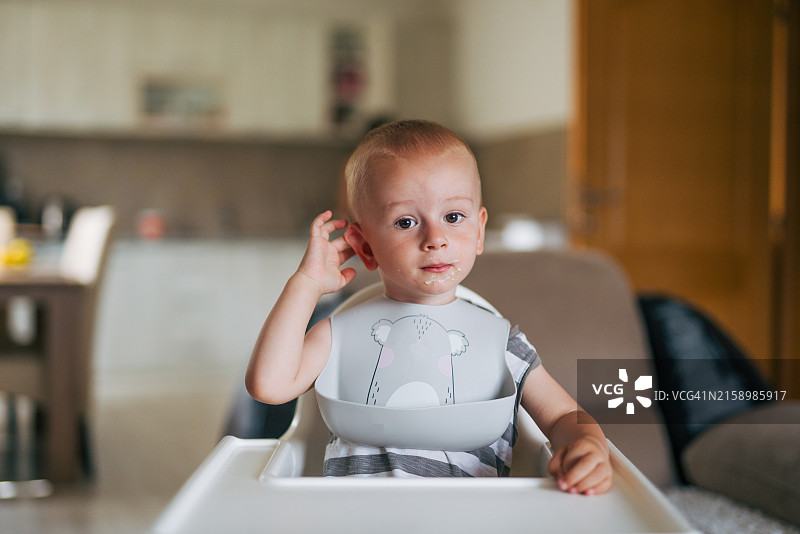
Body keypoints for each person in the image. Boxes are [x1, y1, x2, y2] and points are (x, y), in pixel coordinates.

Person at [246, 119, 612, 494]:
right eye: (406, 222)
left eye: (453, 217)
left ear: (479, 231)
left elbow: (565, 415)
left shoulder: (502, 344)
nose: (435, 239)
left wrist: (587, 446)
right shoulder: (340, 334)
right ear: (365, 247)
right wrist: (306, 285)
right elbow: (268, 386)